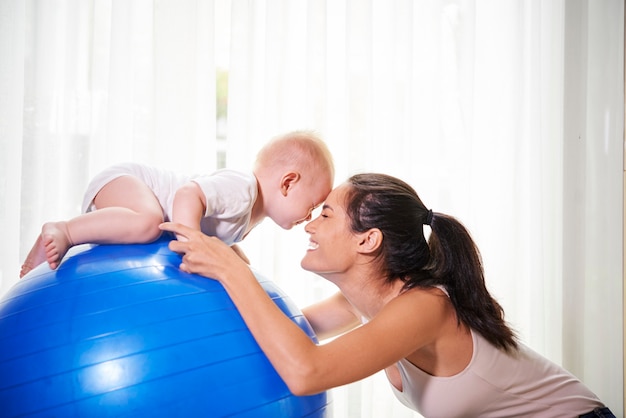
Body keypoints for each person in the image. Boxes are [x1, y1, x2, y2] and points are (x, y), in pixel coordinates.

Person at [160, 173, 615, 418]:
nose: (309, 224)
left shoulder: (425, 307)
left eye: (325, 215)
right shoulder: (365, 303)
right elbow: (288, 332)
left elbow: (306, 372)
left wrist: (224, 264)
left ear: (367, 240)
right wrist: (234, 270)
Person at [20, 130, 334, 278]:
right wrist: (189, 241)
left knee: (148, 224)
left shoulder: (251, 217)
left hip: (132, 195)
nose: (309, 217)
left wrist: (237, 264)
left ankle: (39, 264)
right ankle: (64, 230)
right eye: (313, 204)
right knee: (147, 223)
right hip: (127, 181)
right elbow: (187, 194)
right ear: (288, 183)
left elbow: (215, 238)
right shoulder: (243, 189)